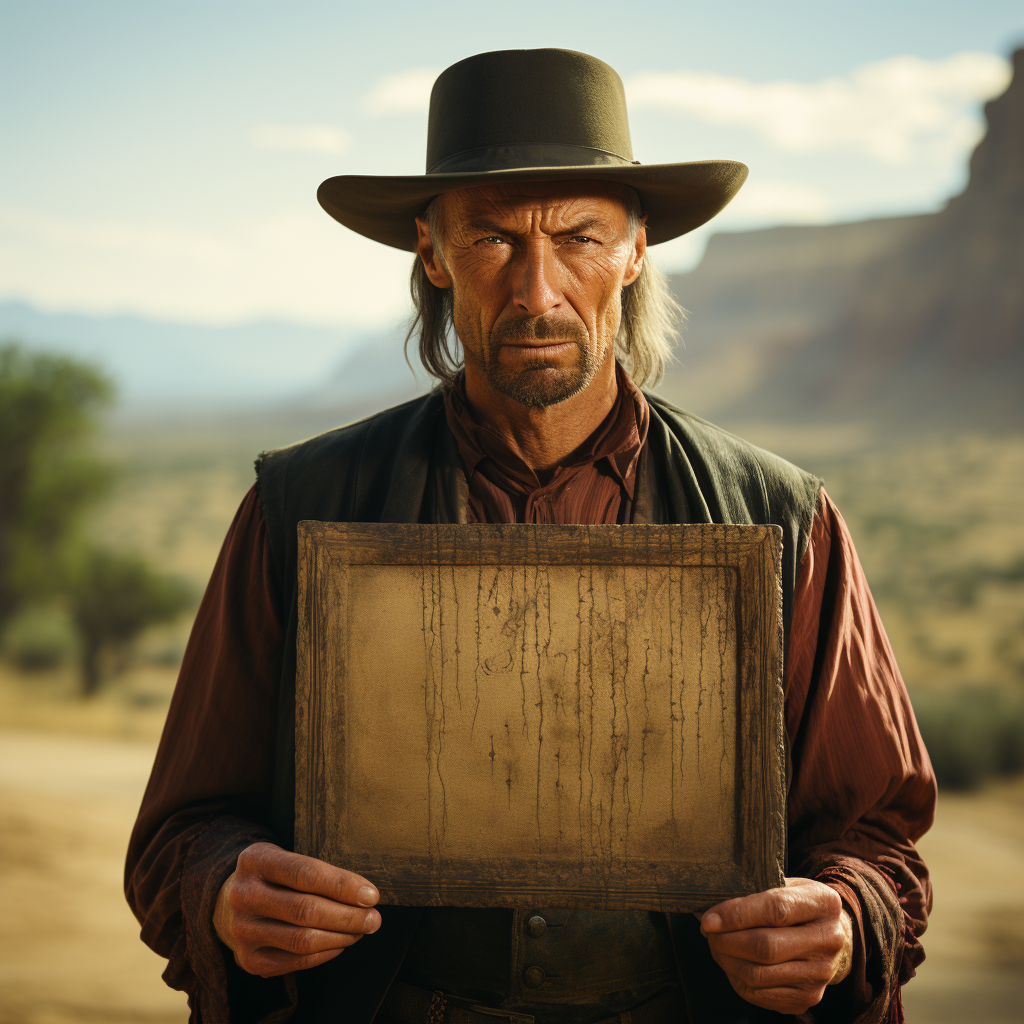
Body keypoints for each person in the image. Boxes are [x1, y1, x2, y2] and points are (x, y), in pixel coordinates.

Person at [126, 48, 935, 1024]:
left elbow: (875, 830)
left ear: (636, 250)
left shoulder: (781, 516)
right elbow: (182, 828)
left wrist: (843, 915)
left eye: (579, 237)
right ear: (430, 251)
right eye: (493, 239)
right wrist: (226, 888)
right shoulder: (300, 505)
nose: (538, 289)